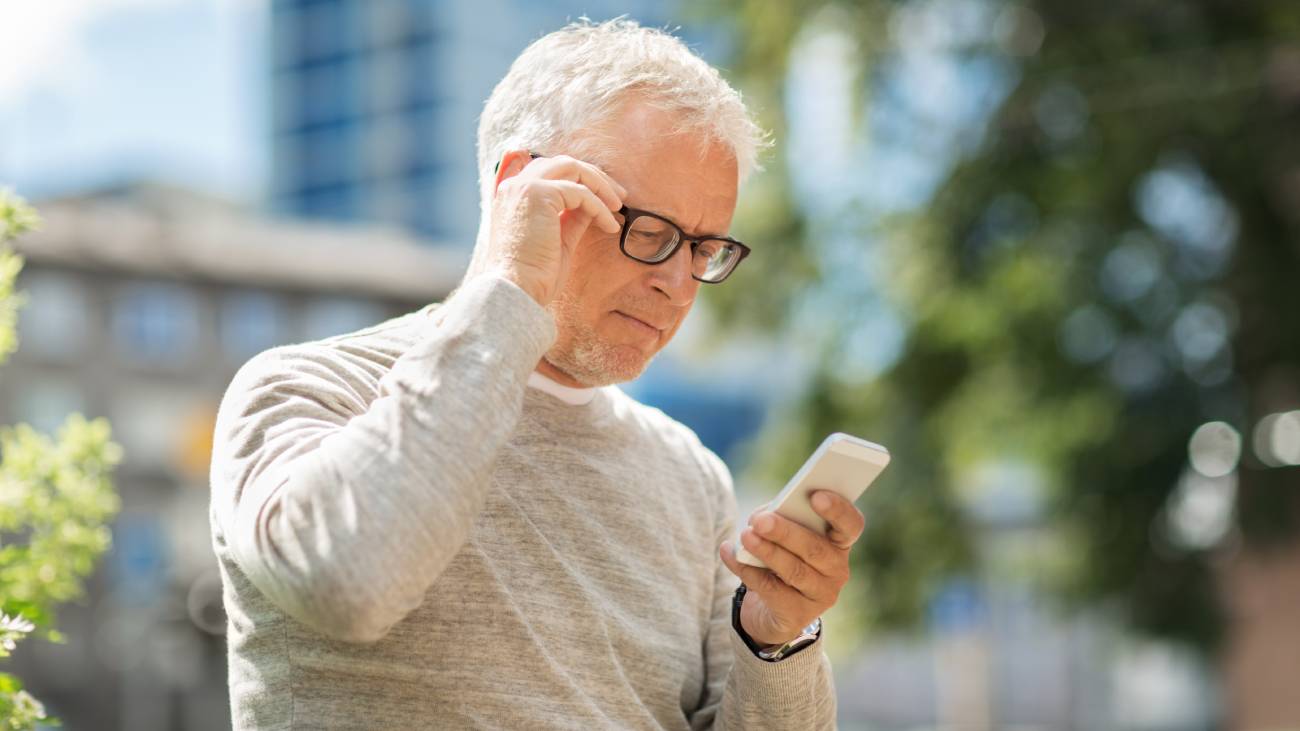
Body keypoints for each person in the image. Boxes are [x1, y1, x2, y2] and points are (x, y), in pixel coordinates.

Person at [209, 18, 864, 730]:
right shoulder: (304, 389)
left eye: (704, 249)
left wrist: (773, 643)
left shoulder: (690, 476)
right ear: (519, 188)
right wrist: (512, 286)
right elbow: (351, 583)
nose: (679, 285)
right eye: (650, 233)